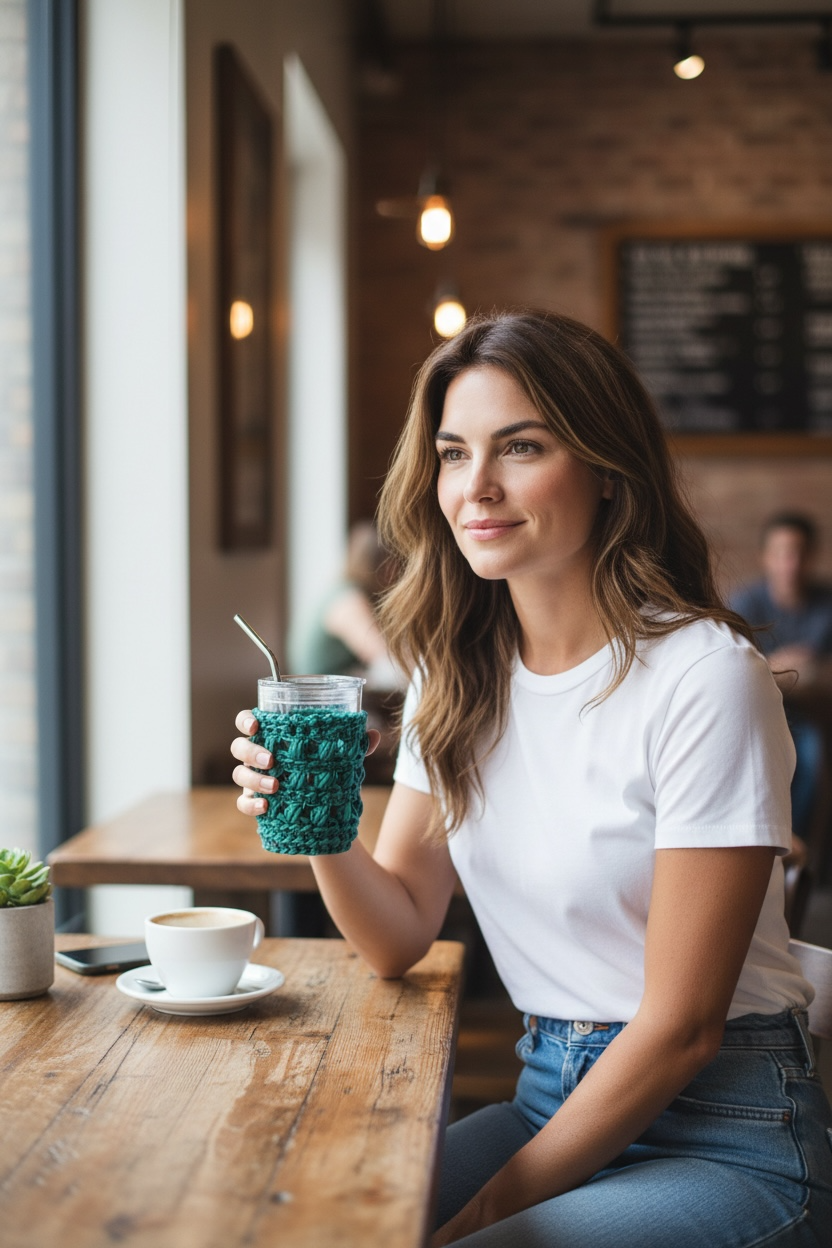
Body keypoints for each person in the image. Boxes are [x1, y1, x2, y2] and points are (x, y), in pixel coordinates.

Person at [232, 311, 832, 1247]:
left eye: (520, 447)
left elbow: (681, 1029)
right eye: (452, 452)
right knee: (315, 1222)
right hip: (547, 1097)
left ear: (603, 466)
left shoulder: (703, 675)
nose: (477, 487)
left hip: (728, 1135)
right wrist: (309, 817)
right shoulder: (454, 670)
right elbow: (395, 934)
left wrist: (490, 1210)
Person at [731, 512, 832, 841]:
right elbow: (733, 671)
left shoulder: (825, 604)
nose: (791, 563)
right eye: (782, 553)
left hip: (814, 715)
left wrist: (771, 665)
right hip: (757, 716)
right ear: (766, 558)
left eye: (800, 552)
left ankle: (798, 850)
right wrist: (792, 665)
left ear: (811, 556)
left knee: (813, 752)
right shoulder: (744, 605)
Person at [292, 519, 403, 692]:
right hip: (321, 700)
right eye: (396, 564)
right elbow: (385, 657)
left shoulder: (345, 591)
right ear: (384, 566)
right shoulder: (347, 601)